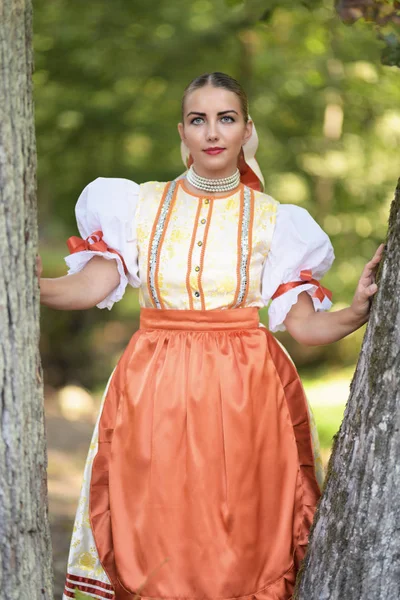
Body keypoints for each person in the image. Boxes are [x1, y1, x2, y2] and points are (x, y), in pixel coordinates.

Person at [38, 72, 383, 600]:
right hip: (153, 390)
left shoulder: (276, 221)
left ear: (247, 130)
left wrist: (357, 310)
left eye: (226, 118)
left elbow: (305, 327)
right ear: (183, 132)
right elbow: (89, 285)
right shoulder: (138, 207)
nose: (213, 132)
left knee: (241, 539)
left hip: (247, 393)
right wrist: (25, 282)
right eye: (199, 120)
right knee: (154, 532)